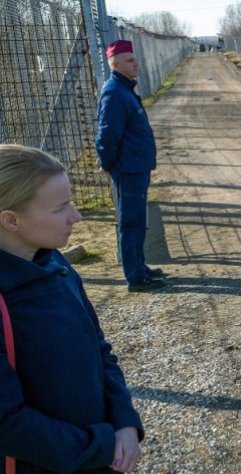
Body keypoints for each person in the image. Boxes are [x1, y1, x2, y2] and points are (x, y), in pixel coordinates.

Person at [0, 144, 157, 474]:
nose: (76, 216)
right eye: (60, 207)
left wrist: (125, 421)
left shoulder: (56, 265)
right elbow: (9, 424)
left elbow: (99, 349)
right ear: (11, 219)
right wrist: (100, 444)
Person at [95, 39, 166, 293]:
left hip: (136, 166)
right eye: (130, 60)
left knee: (137, 220)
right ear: (115, 64)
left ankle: (140, 266)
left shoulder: (124, 89)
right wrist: (106, 162)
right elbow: (107, 134)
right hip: (128, 168)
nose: (136, 63)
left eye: (134, 59)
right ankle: (135, 277)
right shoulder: (114, 92)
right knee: (131, 221)